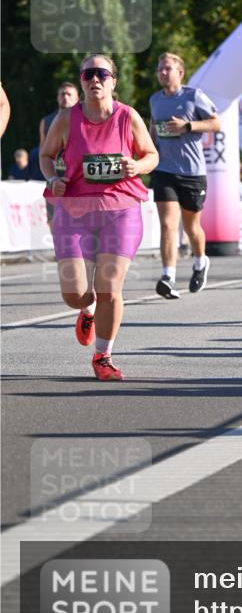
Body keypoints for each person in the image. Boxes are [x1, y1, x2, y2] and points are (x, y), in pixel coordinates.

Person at [39, 54, 159, 381]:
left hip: (120, 210)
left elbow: (151, 154)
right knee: (75, 294)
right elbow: (46, 156)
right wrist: (52, 178)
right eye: (88, 74)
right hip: (75, 211)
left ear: (113, 81)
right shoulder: (66, 119)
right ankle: (86, 309)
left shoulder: (127, 116)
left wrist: (137, 166)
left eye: (102, 74)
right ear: (81, 81)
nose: (95, 79)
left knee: (109, 288)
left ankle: (103, 356)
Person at [149, 52, 221, 299]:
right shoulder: (154, 99)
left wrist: (188, 126)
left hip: (192, 172)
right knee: (168, 224)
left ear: (180, 73)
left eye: (167, 68)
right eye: (160, 69)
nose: (162, 72)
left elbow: (216, 123)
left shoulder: (193, 96)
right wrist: (149, 150)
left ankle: (201, 261)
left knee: (192, 227)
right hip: (164, 170)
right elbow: (153, 128)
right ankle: (168, 276)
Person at [39, 81, 80, 227]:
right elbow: (43, 152)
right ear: (57, 98)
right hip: (54, 177)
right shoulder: (46, 121)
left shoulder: (84, 118)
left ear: (77, 98)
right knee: (54, 222)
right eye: (62, 94)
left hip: (77, 178)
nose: (65, 97)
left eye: (69, 94)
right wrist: (50, 177)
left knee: (79, 223)